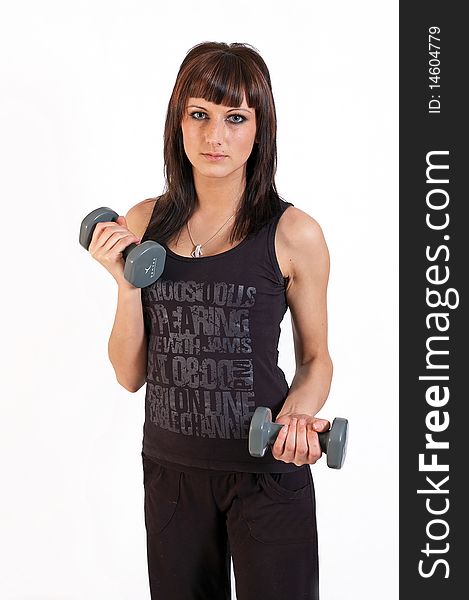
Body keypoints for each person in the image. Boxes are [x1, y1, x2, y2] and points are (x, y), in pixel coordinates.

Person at [88, 41, 333, 600]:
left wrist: (295, 421)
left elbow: (316, 359)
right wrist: (127, 285)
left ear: (259, 129)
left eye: (235, 118)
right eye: (199, 114)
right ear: (179, 122)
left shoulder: (295, 234)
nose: (214, 136)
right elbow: (130, 376)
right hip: (172, 473)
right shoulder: (144, 222)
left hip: (266, 474)